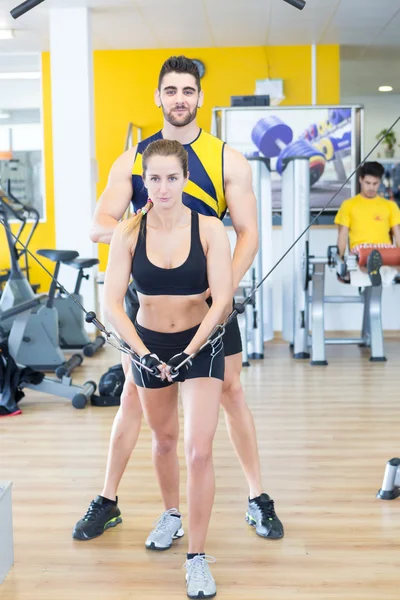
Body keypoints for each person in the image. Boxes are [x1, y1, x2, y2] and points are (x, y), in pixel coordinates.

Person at [73, 55, 283, 548]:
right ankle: (110, 500)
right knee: (135, 399)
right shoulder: (134, 160)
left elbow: (249, 233)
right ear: (159, 97)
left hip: (209, 297)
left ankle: (257, 496)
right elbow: (97, 225)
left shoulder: (227, 158)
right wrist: (135, 228)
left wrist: (221, 288)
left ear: (200, 97)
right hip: (149, 300)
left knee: (231, 392)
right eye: (171, 90)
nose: (180, 99)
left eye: (188, 90)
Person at [103, 138, 231, 597]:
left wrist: (191, 349)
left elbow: (223, 299)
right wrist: (141, 352)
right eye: (153, 178)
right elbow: (113, 303)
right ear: (144, 181)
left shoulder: (211, 227)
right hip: (149, 344)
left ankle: (197, 557)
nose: (162, 187)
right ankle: (171, 514)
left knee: (198, 450)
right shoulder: (129, 231)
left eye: (171, 178)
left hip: (200, 345)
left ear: (186, 179)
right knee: (163, 441)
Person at [335, 161, 400, 286]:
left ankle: (376, 269)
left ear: (379, 182)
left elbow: (398, 235)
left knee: (393, 255)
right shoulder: (348, 205)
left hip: (384, 249)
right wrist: (340, 261)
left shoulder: (390, 206)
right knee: (367, 256)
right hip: (361, 249)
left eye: (375, 184)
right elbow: (342, 237)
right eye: (368, 183)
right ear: (360, 180)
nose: (371, 188)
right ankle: (372, 269)